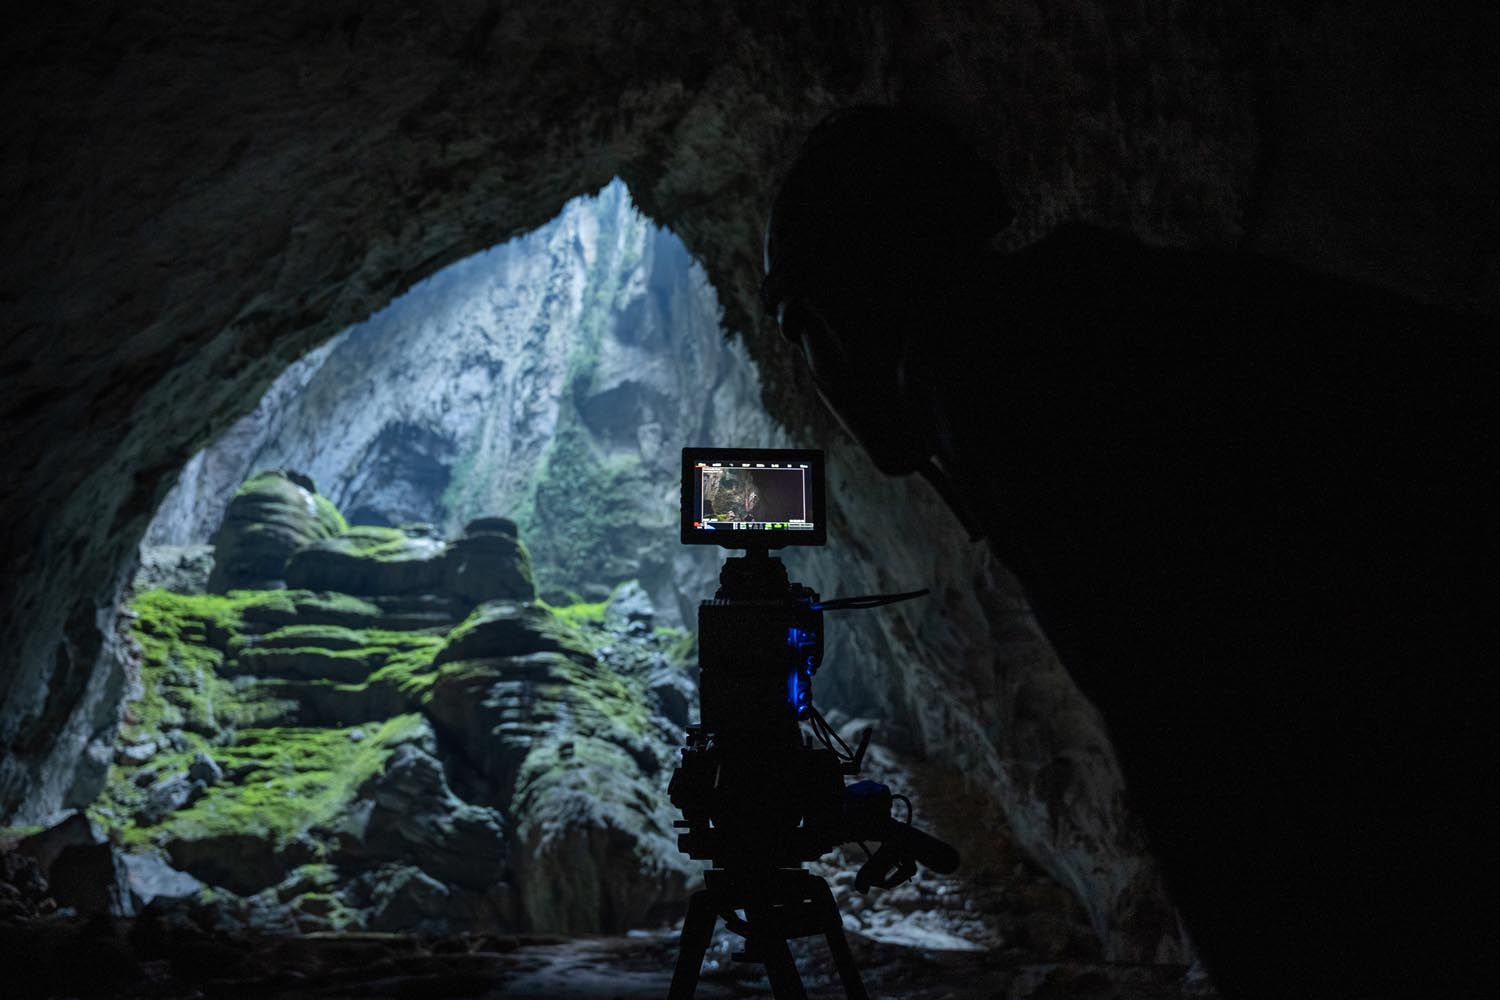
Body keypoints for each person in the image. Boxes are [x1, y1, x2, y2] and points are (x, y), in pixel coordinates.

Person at [763, 107, 1496, 1000]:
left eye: (800, 332)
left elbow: (1219, 760)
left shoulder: (1017, 388)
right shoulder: (1090, 315)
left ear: (838, 321)